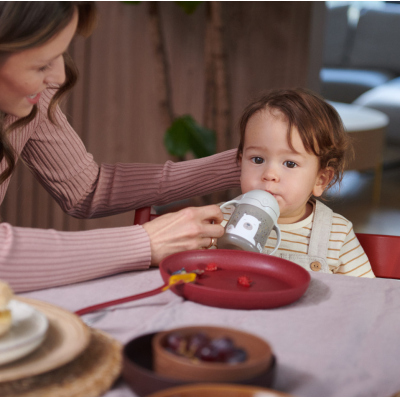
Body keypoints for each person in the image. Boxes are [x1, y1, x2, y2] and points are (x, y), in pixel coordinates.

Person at [0, 2, 241, 293]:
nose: (60, 78)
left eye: (60, 55)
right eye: (41, 64)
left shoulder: (31, 96)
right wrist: (144, 243)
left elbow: (86, 189)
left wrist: (246, 163)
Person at [214, 88, 375, 278]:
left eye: (290, 163)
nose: (270, 174)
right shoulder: (218, 221)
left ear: (320, 180)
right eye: (257, 159)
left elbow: (366, 294)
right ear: (240, 164)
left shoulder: (336, 234)